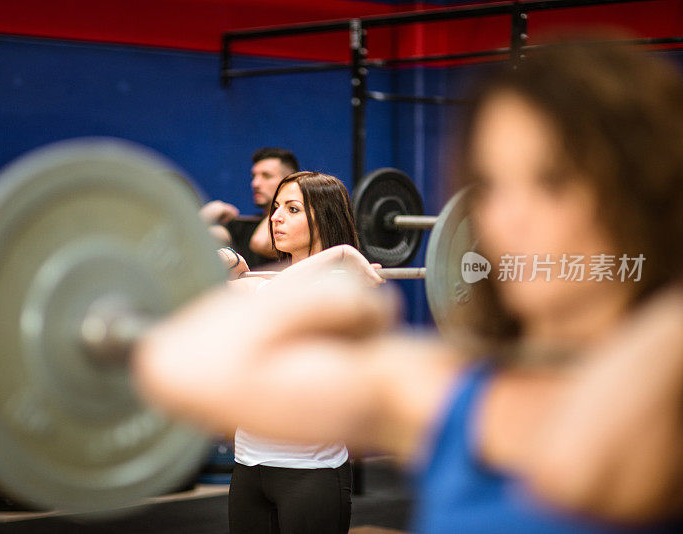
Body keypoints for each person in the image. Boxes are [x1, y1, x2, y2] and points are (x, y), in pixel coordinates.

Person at [134, 40, 683, 532]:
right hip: (258, 466)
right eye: (490, 185)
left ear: (646, 195)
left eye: (551, 181)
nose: (505, 218)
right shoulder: (446, 391)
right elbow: (183, 366)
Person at [219, 171, 381, 534]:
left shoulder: (342, 289)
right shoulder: (267, 282)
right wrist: (228, 255)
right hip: (248, 467)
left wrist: (340, 257)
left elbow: (278, 298)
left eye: (292, 209)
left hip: (311, 473)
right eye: (276, 207)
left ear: (324, 217)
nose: (276, 217)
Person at [200, 147, 300, 268]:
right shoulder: (241, 227)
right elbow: (194, 240)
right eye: (254, 176)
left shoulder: (299, 226)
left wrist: (287, 194)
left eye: (266, 176)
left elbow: (260, 243)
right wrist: (210, 212)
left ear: (289, 181)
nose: (255, 183)